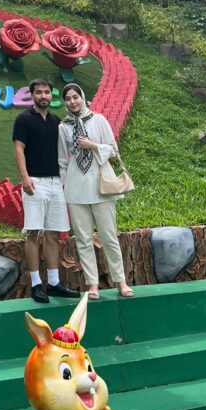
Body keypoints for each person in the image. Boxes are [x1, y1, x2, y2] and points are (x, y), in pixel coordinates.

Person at [57, 82, 133, 300]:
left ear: (82, 97)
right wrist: (64, 188)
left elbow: (112, 150)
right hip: (76, 187)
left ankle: (121, 280)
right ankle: (92, 284)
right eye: (68, 99)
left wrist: (92, 145)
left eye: (75, 97)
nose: (72, 101)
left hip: (100, 185)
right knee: (83, 238)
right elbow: (62, 161)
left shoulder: (98, 120)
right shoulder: (64, 127)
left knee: (109, 235)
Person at [13, 78, 79, 303]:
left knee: (53, 234)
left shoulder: (56, 122)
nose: (43, 96)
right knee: (33, 232)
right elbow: (19, 149)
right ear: (32, 95)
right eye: (39, 92)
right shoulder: (23, 120)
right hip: (35, 183)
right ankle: (36, 284)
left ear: (52, 96)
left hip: (56, 183)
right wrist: (24, 177)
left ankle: (53, 283)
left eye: (47, 92)